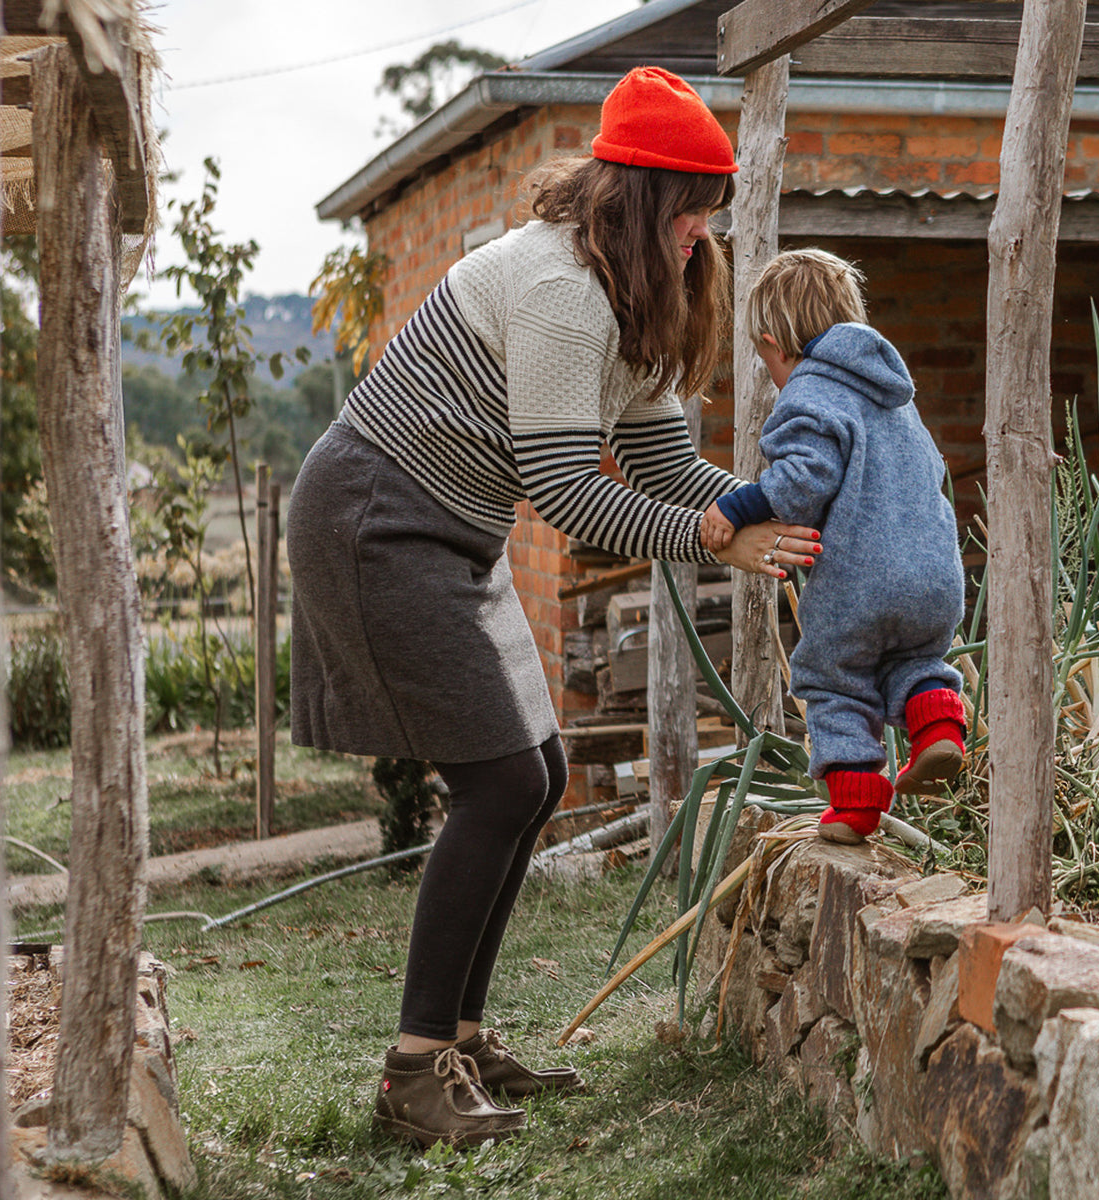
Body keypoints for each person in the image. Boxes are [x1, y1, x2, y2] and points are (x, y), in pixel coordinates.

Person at [286, 66, 820, 1149]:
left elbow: (669, 464)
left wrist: (776, 507)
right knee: (494, 784)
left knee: (538, 777)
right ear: (637, 199)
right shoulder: (560, 291)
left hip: (450, 528)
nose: (701, 233)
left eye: (712, 211)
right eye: (690, 210)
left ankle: (465, 1043)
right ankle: (410, 1077)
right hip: (376, 519)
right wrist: (722, 538)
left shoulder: (639, 292)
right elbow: (575, 494)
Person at [702, 248, 967, 845]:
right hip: (935, 576)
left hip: (859, 583)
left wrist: (736, 506)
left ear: (774, 344)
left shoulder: (808, 391)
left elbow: (801, 482)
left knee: (831, 679)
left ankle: (854, 806)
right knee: (916, 661)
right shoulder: (895, 396)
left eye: (763, 357)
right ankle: (939, 730)